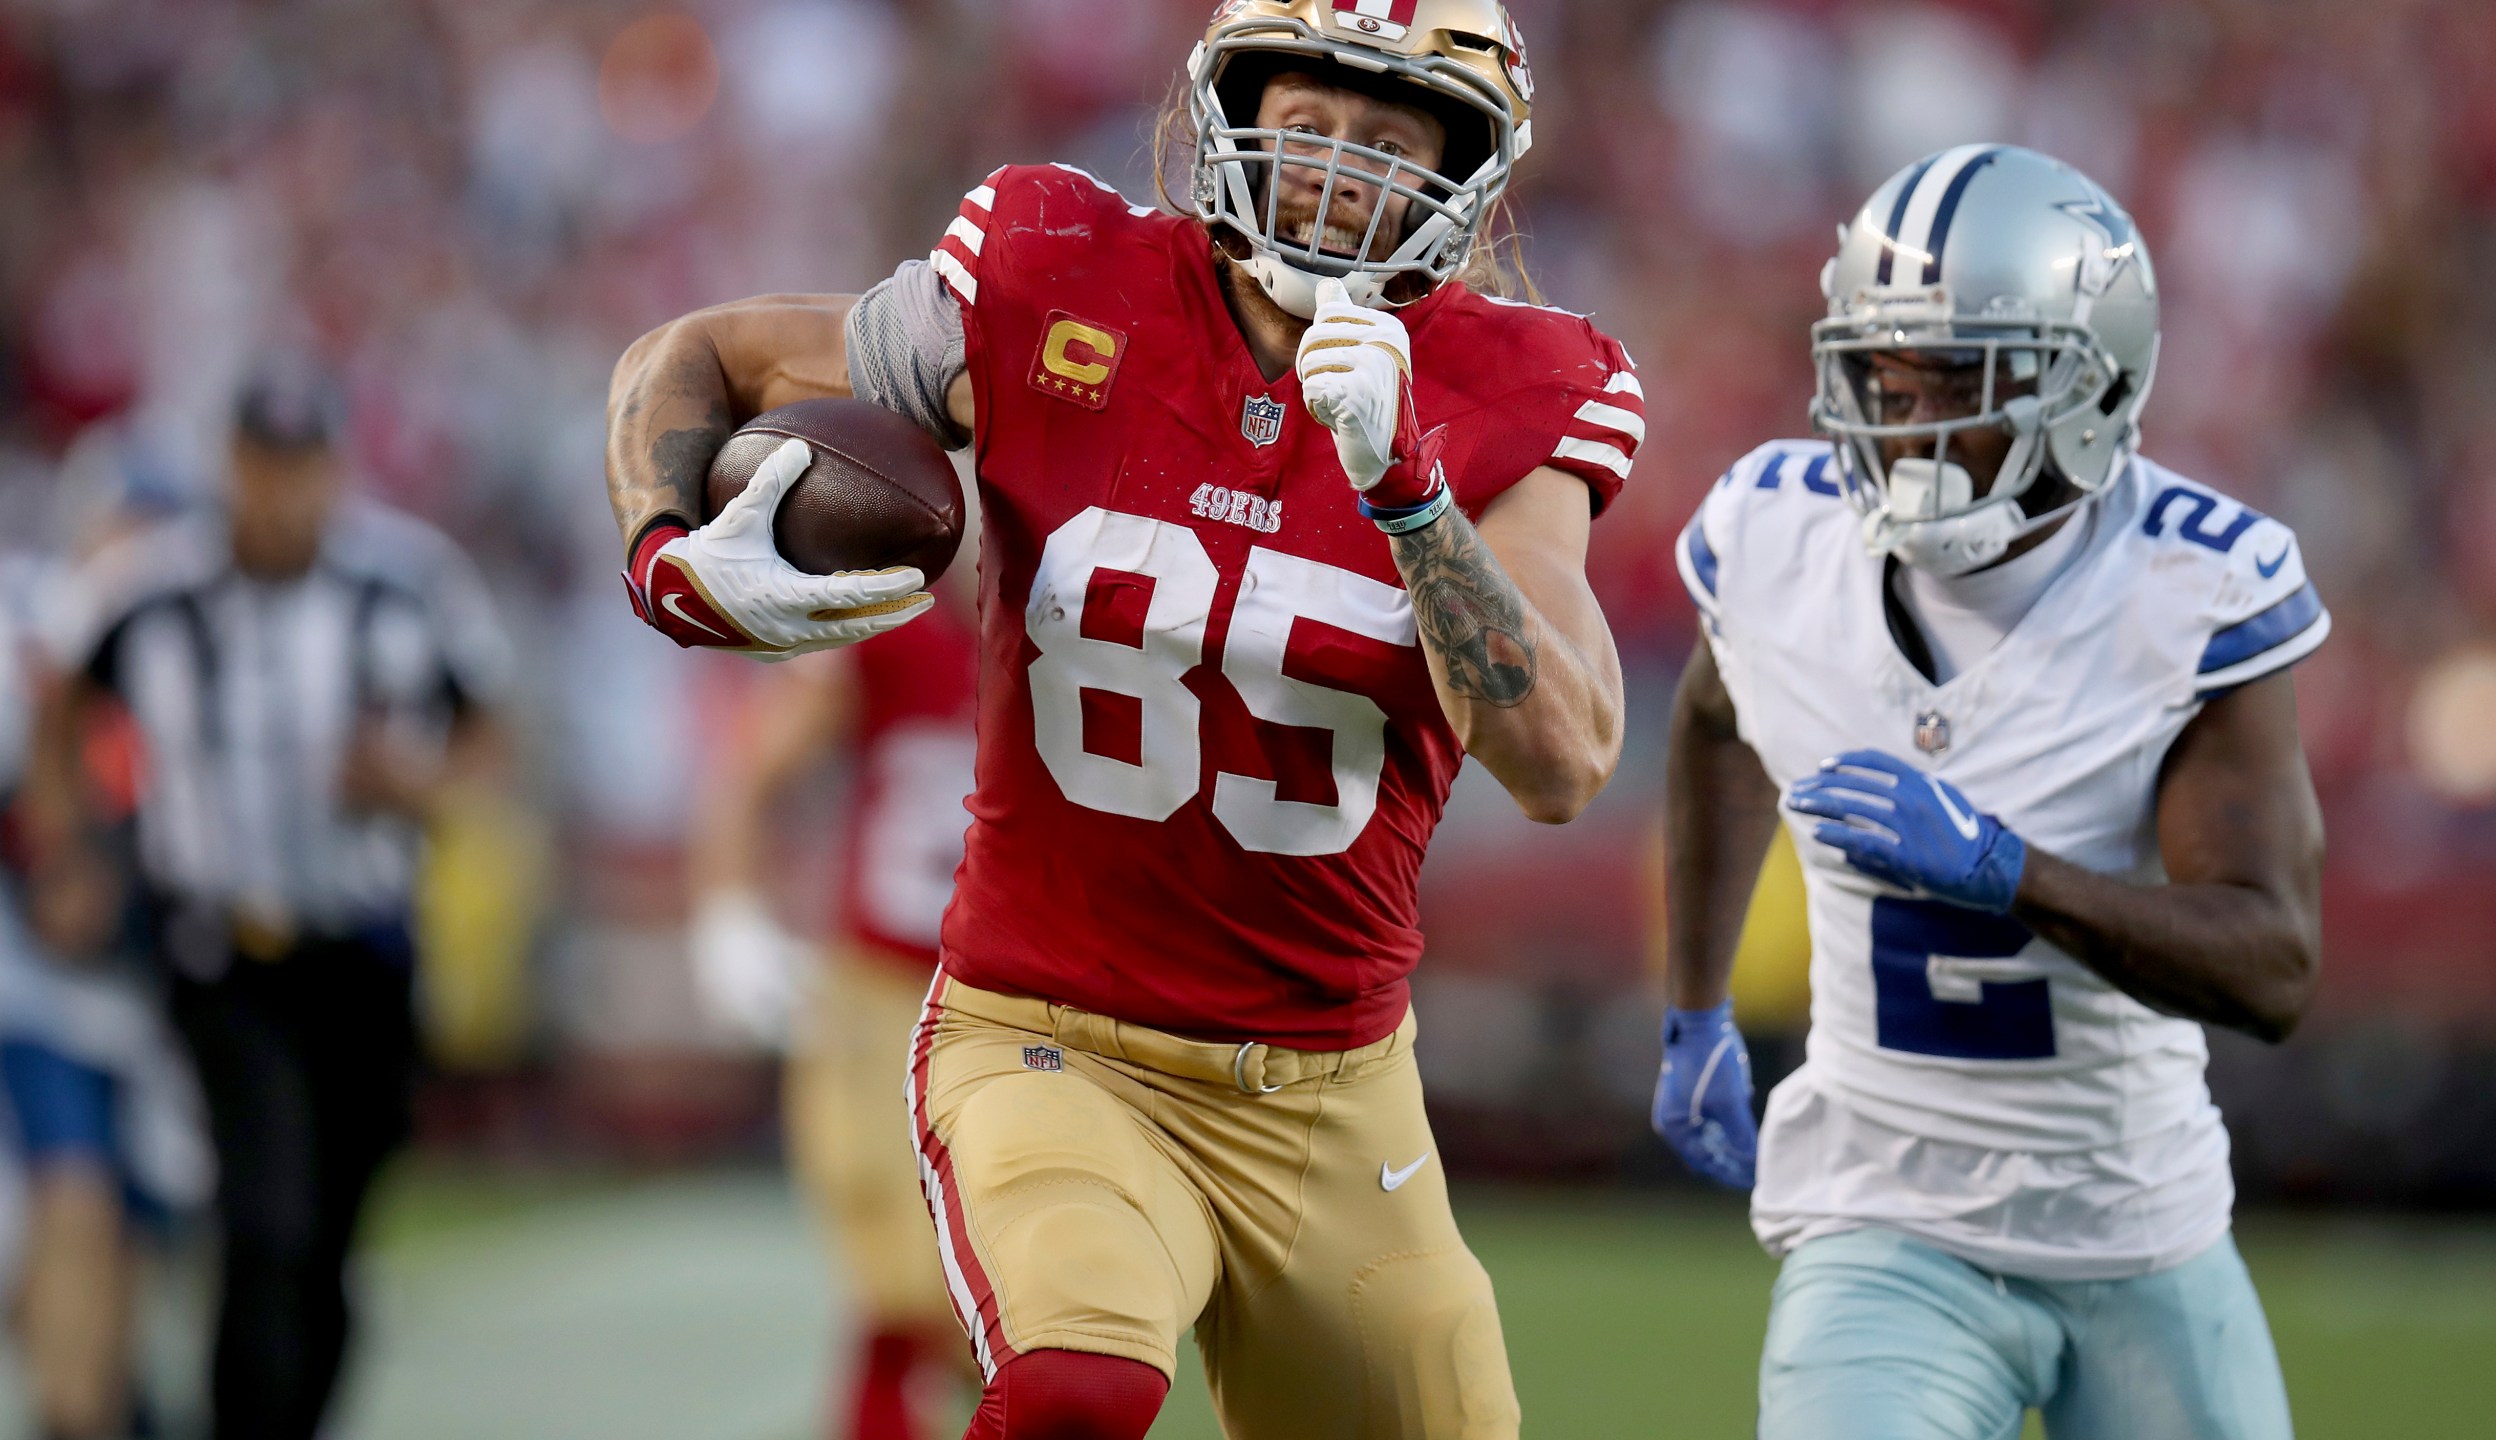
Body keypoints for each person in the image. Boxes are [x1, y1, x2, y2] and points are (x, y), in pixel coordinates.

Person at [606, 3, 1641, 1434]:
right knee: (1075, 1383)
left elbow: (1566, 759)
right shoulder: (1054, 281)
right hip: (1052, 1033)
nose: (1341, 170)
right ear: (1229, 115)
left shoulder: (1521, 386)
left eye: (1391, 139)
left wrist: (1409, 493)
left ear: (1465, 173)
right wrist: (667, 546)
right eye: (1312, 122)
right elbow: (698, 355)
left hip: (1333, 1089)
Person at [1656, 144, 2321, 1438]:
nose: (1904, 420)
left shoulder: (2195, 589)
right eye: (1878, 375)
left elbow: (2274, 964)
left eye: (1958, 379)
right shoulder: (1774, 538)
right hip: (1882, 1210)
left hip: (2136, 1218)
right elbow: (1712, 720)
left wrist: (2012, 873)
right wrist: (1695, 1011)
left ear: (2093, 382)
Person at [28, 364, 512, 1440]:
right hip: (223, 950)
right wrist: (71, 854)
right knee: (268, 1219)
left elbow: (489, 732)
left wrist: (418, 785)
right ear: (230, 466)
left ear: (335, 469)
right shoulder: (151, 591)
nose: (283, 492)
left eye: (303, 467)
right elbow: (60, 706)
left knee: (330, 1235)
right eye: (263, 465)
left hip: (367, 949)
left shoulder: (407, 580)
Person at [688, 578, 980, 1440]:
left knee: (1015, 1294)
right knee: (896, 1278)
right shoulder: (893, 636)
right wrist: (728, 913)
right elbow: (751, 767)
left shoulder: (1073, 639)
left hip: (1012, 1003)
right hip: (879, 993)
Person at [0, 544, 212, 1440]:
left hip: (156, 991)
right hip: (46, 994)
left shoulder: (191, 627)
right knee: (76, 1206)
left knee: (139, 1222)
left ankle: (110, 1400)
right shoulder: (49, 627)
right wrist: (60, 858)